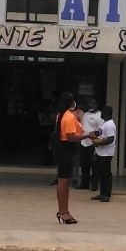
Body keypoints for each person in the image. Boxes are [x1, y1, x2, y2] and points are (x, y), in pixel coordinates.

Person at [53, 92, 90, 224]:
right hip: (66, 150)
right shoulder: (67, 117)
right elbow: (71, 137)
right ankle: (63, 211)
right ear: (71, 102)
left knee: (65, 182)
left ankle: (64, 210)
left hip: (65, 150)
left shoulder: (63, 115)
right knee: (63, 182)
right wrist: (88, 136)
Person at [89, 105, 116, 202]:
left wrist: (98, 142)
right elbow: (100, 133)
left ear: (107, 113)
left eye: (103, 112)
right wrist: (93, 134)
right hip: (100, 152)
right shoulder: (105, 123)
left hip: (106, 153)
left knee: (106, 173)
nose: (101, 114)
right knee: (101, 173)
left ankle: (106, 195)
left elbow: (110, 139)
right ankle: (102, 193)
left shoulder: (110, 125)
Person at [77, 98, 103, 191]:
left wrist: (96, 138)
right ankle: (85, 183)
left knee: (94, 166)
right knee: (84, 165)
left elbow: (101, 131)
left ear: (97, 105)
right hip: (83, 143)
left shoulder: (100, 116)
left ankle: (94, 185)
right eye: (89, 103)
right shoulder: (86, 114)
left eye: (92, 103)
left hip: (93, 144)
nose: (90, 105)